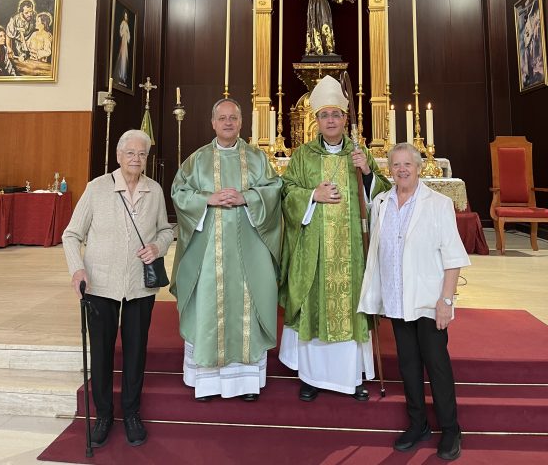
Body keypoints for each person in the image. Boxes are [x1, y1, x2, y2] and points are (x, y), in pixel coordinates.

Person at [278, 75, 390, 402]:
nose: (330, 120)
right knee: (315, 307)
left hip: (351, 252)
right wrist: (312, 194)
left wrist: (368, 173)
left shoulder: (359, 155)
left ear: (344, 119)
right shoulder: (303, 156)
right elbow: (287, 194)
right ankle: (312, 377)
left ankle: (352, 377)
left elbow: (382, 196)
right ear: (316, 120)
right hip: (315, 250)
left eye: (336, 115)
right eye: (324, 115)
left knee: (350, 308)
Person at [358, 142, 470, 461]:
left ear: (418, 168)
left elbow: (452, 257)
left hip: (429, 301)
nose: (402, 169)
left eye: (408, 164)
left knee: (436, 364)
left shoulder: (437, 204)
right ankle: (418, 423)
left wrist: (446, 300)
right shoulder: (381, 202)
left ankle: (450, 429)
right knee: (408, 366)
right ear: (389, 170)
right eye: (396, 165)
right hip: (397, 300)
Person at [62, 130, 174, 448]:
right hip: (99, 284)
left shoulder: (154, 190)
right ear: (118, 155)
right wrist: (77, 269)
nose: (136, 159)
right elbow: (71, 234)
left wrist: (158, 245)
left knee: (136, 352)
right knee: (101, 353)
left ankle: (132, 413)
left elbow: (167, 230)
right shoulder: (97, 188)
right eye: (130, 153)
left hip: (140, 286)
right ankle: (103, 415)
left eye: (142, 154)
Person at [171, 98, 282, 402]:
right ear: (213, 123)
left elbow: (274, 190)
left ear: (241, 123)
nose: (228, 123)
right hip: (208, 256)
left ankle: (246, 383)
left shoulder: (258, 159)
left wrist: (247, 198)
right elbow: (179, 192)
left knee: (245, 307)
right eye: (222, 118)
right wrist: (208, 199)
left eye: (233, 118)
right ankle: (206, 381)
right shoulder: (196, 160)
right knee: (208, 305)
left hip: (249, 253)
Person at [113, 10, 131, 86]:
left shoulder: (126, 24)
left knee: (125, 58)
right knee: (122, 57)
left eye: (127, 16)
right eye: (125, 16)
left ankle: (123, 75)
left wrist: (127, 36)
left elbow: (129, 34)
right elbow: (121, 31)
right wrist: (124, 34)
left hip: (125, 42)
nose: (126, 17)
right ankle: (121, 74)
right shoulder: (123, 23)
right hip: (123, 41)